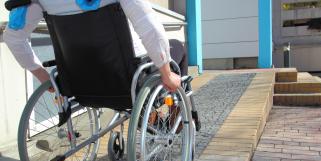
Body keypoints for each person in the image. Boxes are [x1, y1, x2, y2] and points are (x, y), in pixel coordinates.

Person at [3, 0, 188, 92]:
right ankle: (177, 114)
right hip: (126, 76)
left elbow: (13, 38)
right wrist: (166, 74)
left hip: (77, 81)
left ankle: (150, 116)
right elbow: (150, 28)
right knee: (177, 47)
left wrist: (45, 79)